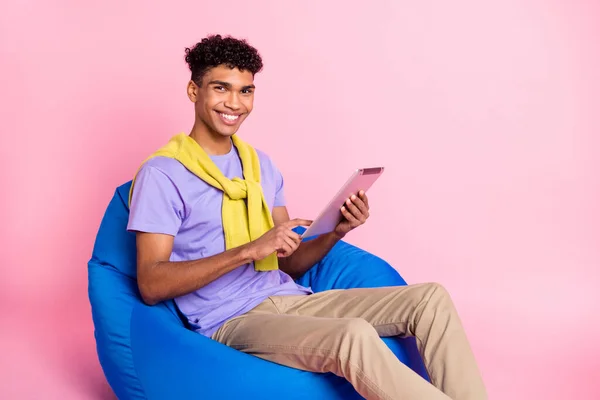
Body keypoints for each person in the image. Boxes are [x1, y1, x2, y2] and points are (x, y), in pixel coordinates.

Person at [127, 34, 487, 400]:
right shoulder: (163, 174)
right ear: (194, 91)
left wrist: (336, 231)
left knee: (430, 299)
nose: (234, 103)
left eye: (246, 91)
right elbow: (152, 284)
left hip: (290, 297)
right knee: (353, 335)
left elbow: (290, 264)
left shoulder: (260, 166)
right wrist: (249, 250)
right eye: (221, 88)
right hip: (230, 320)